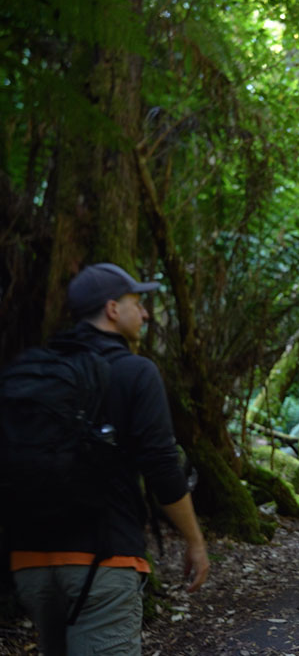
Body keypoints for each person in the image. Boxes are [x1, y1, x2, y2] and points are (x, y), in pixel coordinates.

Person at [7, 262, 210, 655]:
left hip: (29, 563)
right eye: (139, 303)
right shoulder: (135, 372)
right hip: (103, 562)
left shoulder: (32, 371)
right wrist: (195, 541)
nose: (146, 313)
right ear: (113, 309)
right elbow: (163, 469)